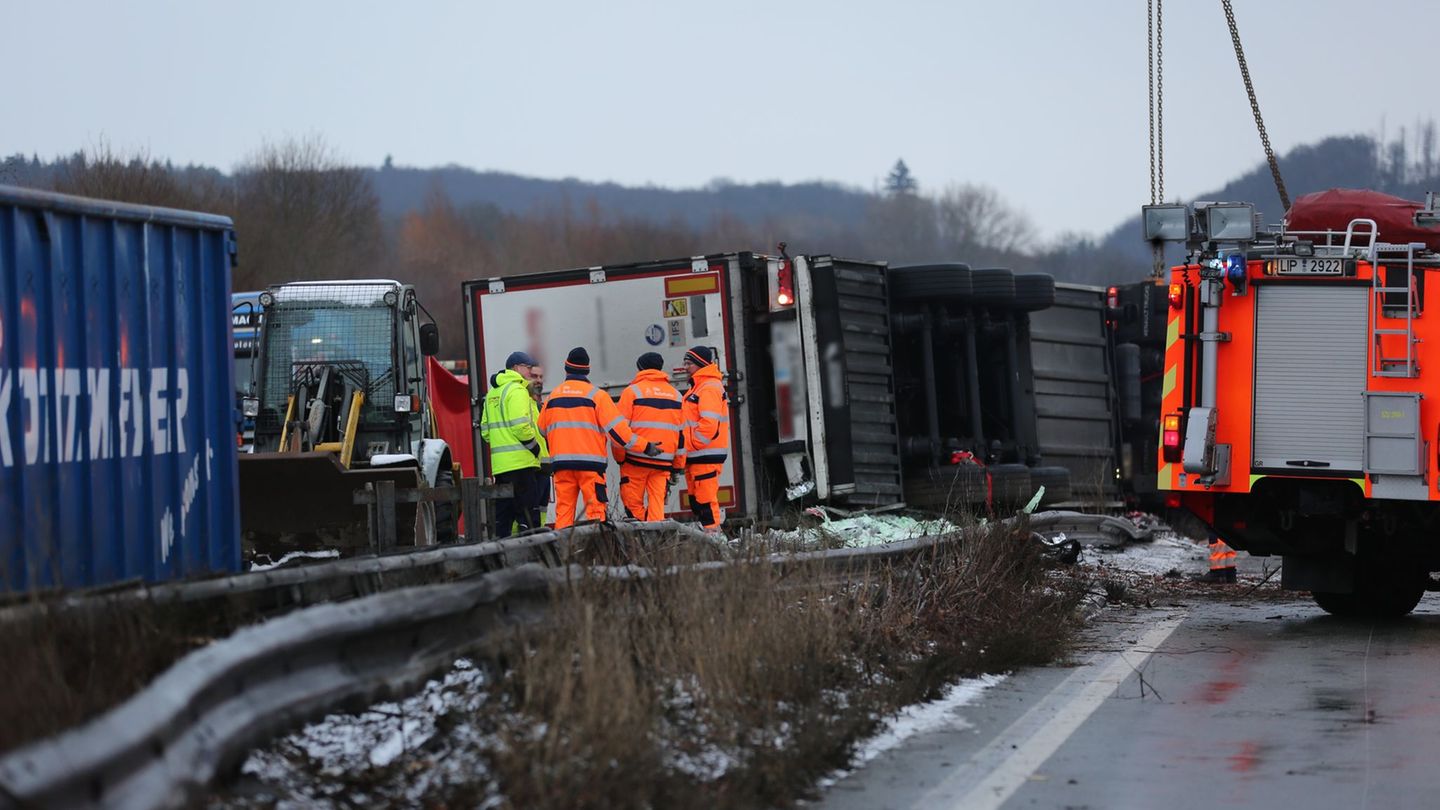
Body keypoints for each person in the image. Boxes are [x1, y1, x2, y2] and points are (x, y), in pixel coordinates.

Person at [539, 347, 660, 529]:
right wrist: (646, 446)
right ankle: (598, 546)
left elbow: (542, 430)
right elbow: (620, 435)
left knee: (563, 513)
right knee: (596, 514)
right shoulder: (597, 396)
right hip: (590, 467)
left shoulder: (552, 397)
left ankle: (564, 546)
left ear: (566, 369)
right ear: (587, 370)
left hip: (562, 465)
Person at [479, 351, 547, 537]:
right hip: (521, 463)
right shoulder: (517, 390)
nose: (530, 371)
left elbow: (485, 431)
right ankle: (530, 552)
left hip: (501, 466)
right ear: (516, 368)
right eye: (528, 367)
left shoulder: (493, 393)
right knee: (528, 517)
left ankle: (501, 550)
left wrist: (502, 441)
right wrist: (535, 448)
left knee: (503, 517)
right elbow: (520, 426)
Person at [614, 352, 684, 521]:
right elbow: (682, 436)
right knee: (657, 506)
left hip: (635, 460)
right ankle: (656, 534)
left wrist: (620, 457)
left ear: (640, 368)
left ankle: (645, 530)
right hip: (663, 463)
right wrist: (677, 466)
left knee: (632, 506)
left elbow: (619, 431)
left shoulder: (632, 392)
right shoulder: (677, 396)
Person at [678, 346, 730, 533]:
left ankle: (714, 538)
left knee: (705, 501)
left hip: (704, 454)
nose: (685, 367)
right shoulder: (699, 386)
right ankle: (711, 535)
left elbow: (708, 423)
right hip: (697, 455)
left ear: (700, 363)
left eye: (689, 363)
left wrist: (692, 444)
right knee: (698, 502)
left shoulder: (708, 387)